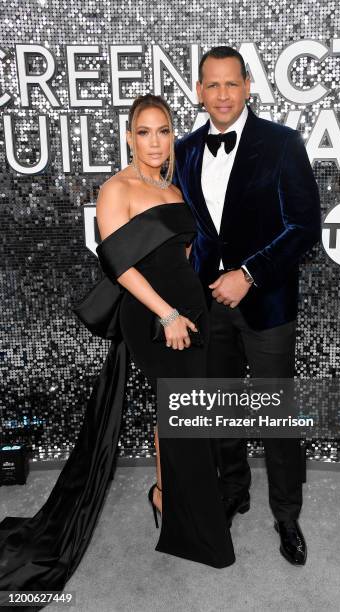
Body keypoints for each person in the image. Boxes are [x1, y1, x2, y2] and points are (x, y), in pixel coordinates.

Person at [0, 94, 235, 609]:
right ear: (129, 136)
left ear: (172, 136)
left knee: (182, 415)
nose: (155, 141)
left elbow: (179, 254)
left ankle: (166, 498)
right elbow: (120, 267)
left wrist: (190, 305)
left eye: (164, 131)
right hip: (156, 320)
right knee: (182, 415)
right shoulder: (116, 189)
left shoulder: (172, 187)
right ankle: (188, 521)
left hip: (192, 317)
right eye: (145, 132)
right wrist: (167, 314)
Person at [174, 46, 321, 566]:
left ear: (247, 86)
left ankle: (287, 515)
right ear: (199, 91)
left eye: (231, 84)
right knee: (219, 411)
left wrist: (249, 274)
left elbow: (305, 226)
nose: (221, 94)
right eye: (211, 85)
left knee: (278, 417)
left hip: (267, 307)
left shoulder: (281, 143)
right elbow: (183, 227)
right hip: (207, 309)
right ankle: (232, 493)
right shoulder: (185, 150)